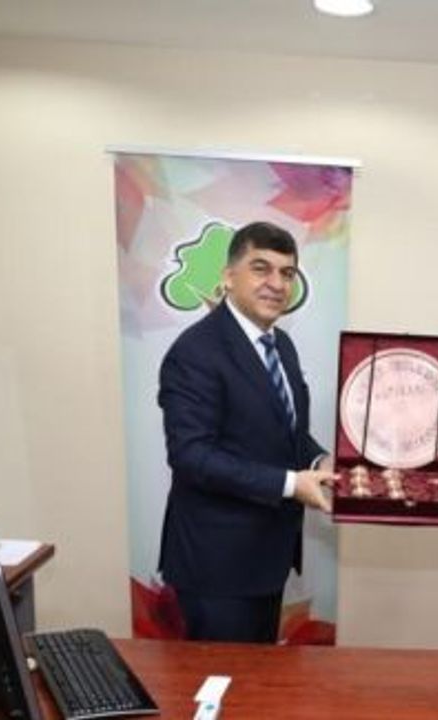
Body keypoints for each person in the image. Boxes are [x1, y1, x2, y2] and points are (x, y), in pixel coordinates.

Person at [157, 220, 336, 643]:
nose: (276, 284)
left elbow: (288, 432)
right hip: (217, 567)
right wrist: (291, 484)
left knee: (258, 679)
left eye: (287, 273)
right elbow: (191, 455)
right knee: (224, 682)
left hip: (267, 560)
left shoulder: (281, 346)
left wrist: (319, 460)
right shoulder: (195, 352)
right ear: (228, 276)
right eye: (261, 268)